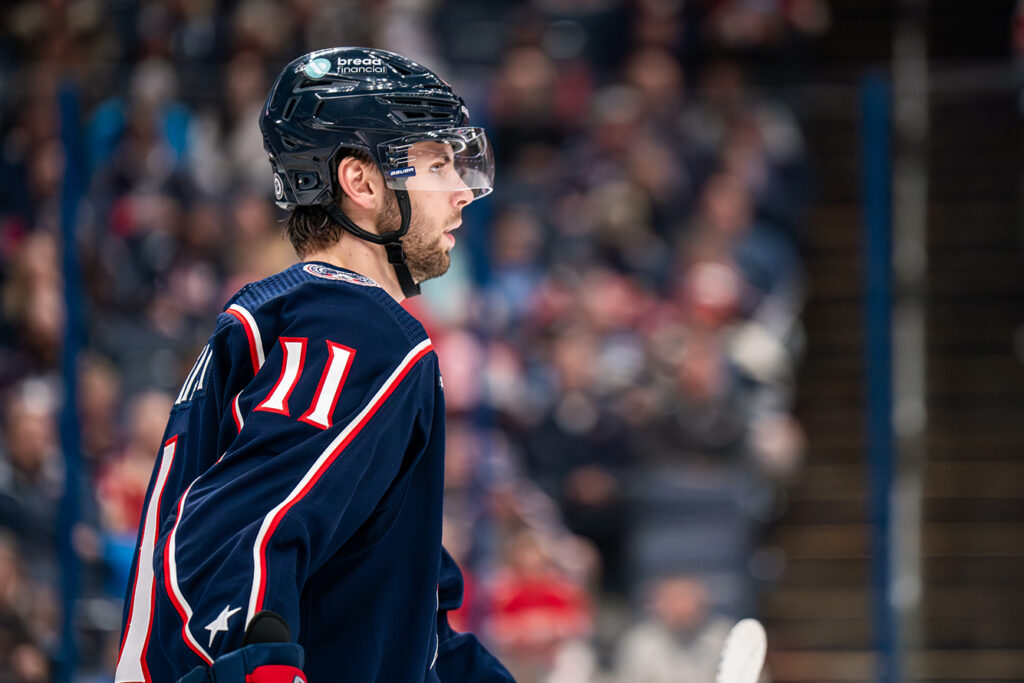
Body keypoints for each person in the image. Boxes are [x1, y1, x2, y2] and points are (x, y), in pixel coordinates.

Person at [114, 47, 513, 683]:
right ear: (361, 182)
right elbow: (242, 534)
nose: (462, 190)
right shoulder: (357, 327)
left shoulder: (296, 312)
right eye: (436, 163)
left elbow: (413, 631)